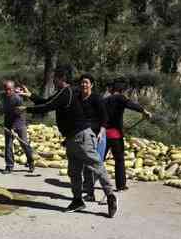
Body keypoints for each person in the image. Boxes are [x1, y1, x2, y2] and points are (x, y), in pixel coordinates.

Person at [18, 66, 118, 217]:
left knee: (95, 164)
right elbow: (46, 101)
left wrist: (27, 109)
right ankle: (77, 200)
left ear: (60, 79)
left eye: (55, 79)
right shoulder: (64, 93)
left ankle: (110, 195)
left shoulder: (66, 92)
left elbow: (47, 106)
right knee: (74, 172)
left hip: (82, 136)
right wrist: (30, 95)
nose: (53, 81)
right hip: (72, 138)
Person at [104, 81, 152, 191]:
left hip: (104, 134)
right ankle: (121, 185)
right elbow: (131, 105)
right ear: (122, 90)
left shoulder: (105, 100)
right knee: (119, 160)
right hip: (115, 135)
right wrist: (144, 111)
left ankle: (88, 184)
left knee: (99, 160)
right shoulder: (120, 98)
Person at [78, 74, 109, 202]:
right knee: (86, 166)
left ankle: (108, 193)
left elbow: (104, 117)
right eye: (82, 82)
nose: (84, 85)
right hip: (83, 136)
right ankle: (90, 194)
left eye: (86, 82)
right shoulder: (78, 99)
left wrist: (101, 132)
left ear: (91, 85)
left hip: (97, 136)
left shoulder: (97, 98)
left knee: (97, 166)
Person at [1, 80, 34, 174]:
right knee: (8, 146)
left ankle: (31, 162)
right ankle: (9, 166)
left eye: (9, 89)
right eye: (6, 89)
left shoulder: (18, 99)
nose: (7, 91)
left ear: (13, 89)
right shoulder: (4, 97)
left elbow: (18, 113)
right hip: (8, 123)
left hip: (19, 123)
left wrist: (13, 127)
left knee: (24, 144)